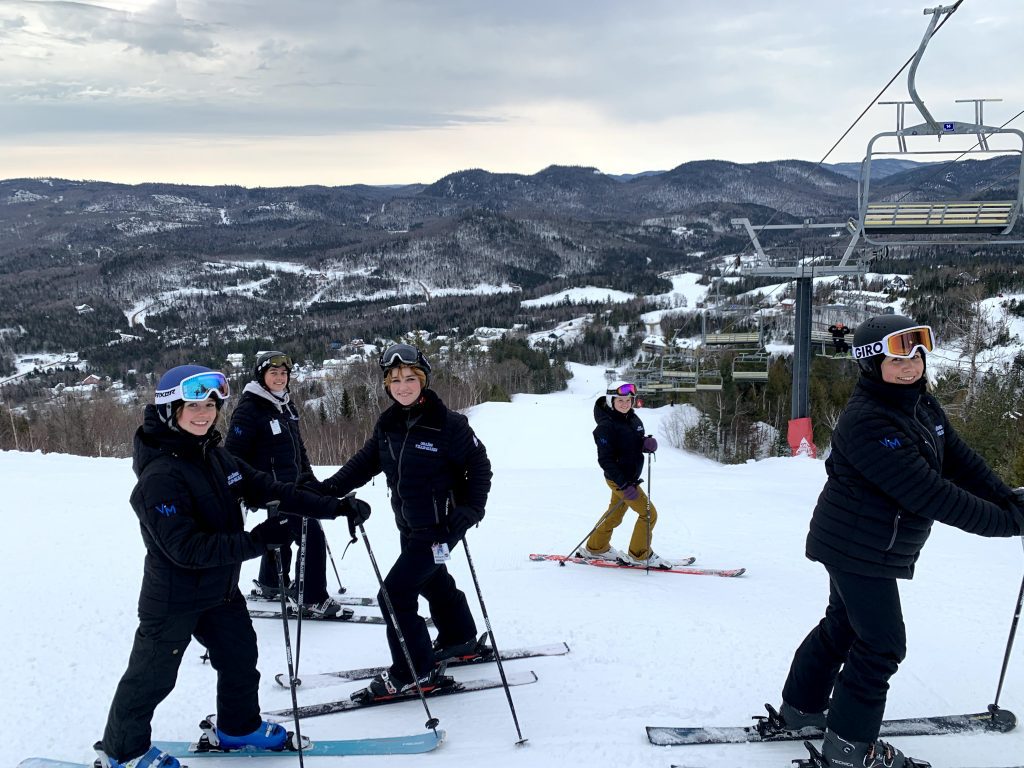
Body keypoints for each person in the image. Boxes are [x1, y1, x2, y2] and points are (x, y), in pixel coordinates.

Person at [774, 316, 1024, 768]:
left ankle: (801, 710)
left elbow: (960, 464)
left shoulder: (921, 406)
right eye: (897, 358)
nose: (910, 366)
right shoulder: (868, 421)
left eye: (916, 354)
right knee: (883, 643)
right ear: (873, 364)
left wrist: (1008, 500)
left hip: (869, 544)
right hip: (857, 547)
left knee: (844, 626)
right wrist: (1010, 524)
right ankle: (850, 748)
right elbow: (931, 493)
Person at [95, 365, 370, 768]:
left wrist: (334, 506)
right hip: (174, 597)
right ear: (171, 410)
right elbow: (184, 549)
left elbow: (267, 488)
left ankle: (238, 728)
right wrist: (257, 542)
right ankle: (124, 751)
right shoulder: (159, 476)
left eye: (210, 404)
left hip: (220, 591)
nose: (204, 413)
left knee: (240, 655)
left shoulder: (213, 455)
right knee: (151, 677)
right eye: (193, 406)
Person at [319, 343, 492, 702]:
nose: (403, 386)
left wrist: (472, 509)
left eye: (411, 378)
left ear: (423, 380)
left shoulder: (449, 424)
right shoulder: (390, 423)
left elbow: (479, 467)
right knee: (433, 580)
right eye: (395, 380)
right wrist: (326, 490)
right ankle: (459, 638)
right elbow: (366, 462)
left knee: (394, 595)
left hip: (440, 529)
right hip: (410, 526)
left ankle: (414, 672)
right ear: (386, 384)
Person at [225, 351, 347, 619]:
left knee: (280, 531)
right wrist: (245, 489)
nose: (280, 378)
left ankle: (271, 583)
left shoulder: (284, 405)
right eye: (273, 373)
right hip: (267, 489)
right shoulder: (249, 409)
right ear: (261, 376)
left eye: (283, 374)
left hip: (289, 486)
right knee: (309, 531)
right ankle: (311, 598)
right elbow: (232, 455)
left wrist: (310, 480)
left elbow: (297, 449)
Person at [577, 381, 663, 567]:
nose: (625, 404)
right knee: (648, 513)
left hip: (629, 479)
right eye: (620, 400)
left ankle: (596, 547)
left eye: (628, 400)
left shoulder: (633, 419)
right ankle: (639, 554)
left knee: (614, 514)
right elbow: (605, 460)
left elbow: (630, 444)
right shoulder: (605, 427)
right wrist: (624, 485)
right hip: (620, 481)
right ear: (611, 401)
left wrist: (645, 445)